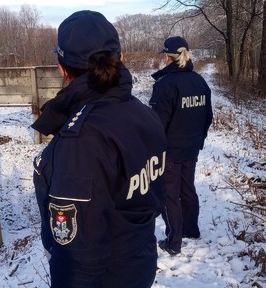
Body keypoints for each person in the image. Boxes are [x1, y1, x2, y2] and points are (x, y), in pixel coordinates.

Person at [32, 10, 167, 288]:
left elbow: (77, 258)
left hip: (107, 277)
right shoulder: (145, 114)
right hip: (139, 263)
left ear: (62, 68)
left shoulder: (82, 140)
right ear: (121, 58)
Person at [149, 36, 213, 256]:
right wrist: (198, 139)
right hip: (192, 148)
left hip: (170, 151)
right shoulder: (200, 82)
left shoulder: (165, 85)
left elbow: (157, 123)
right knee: (187, 188)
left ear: (168, 57)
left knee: (169, 194)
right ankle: (191, 230)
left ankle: (173, 240)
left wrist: (154, 150)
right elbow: (208, 117)